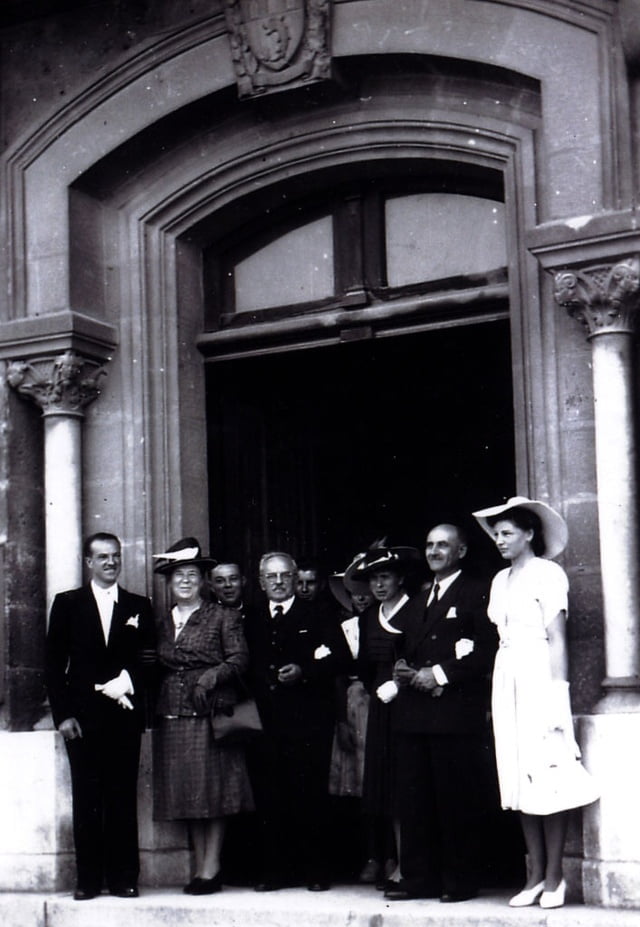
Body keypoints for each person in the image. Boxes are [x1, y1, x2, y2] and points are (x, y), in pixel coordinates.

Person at [472, 497, 600, 909]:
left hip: (539, 678)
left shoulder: (548, 574)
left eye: (507, 533)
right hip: (508, 676)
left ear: (529, 534)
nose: (500, 540)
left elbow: (557, 638)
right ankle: (532, 875)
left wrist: (557, 695)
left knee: (548, 776)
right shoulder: (498, 581)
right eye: (496, 534)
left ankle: (554, 876)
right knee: (517, 777)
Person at [385, 523, 497, 903]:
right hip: (415, 713)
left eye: (443, 545)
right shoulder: (418, 598)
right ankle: (420, 879)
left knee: (456, 800)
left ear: (461, 551)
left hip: (454, 713)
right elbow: (404, 648)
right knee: (416, 801)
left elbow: (488, 650)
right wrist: (403, 669)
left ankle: (460, 880)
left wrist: (440, 674)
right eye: (430, 544)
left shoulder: (478, 592)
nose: (434, 551)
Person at [44, 532, 156, 900]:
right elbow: (53, 665)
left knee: (123, 797)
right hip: (83, 719)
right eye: (102, 557)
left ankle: (125, 877)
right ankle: (88, 879)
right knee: (88, 798)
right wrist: (63, 716)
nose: (110, 562)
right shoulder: (68, 604)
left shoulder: (139, 605)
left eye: (115, 556)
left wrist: (127, 681)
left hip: (124, 717)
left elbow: (150, 661)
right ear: (89, 562)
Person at [244, 551, 352, 892]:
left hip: (309, 719)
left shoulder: (318, 613)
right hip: (264, 721)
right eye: (271, 577)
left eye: (284, 576)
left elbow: (339, 656)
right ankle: (274, 870)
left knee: (310, 794)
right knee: (269, 795)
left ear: (294, 579)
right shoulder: (251, 616)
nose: (278, 583)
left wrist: (305, 671)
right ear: (261, 583)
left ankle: (316, 870)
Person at [152, 538, 254, 895]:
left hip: (209, 711)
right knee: (187, 795)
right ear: (168, 582)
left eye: (192, 575)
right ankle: (200, 865)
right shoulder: (162, 622)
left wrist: (211, 676)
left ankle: (213, 867)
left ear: (203, 581)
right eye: (178, 575)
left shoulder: (222, 616)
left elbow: (240, 659)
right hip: (173, 713)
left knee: (214, 791)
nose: (185, 581)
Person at [350, 541, 421, 890]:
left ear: (400, 579)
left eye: (386, 577)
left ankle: (411, 864)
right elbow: (364, 666)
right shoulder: (367, 617)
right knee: (388, 788)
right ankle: (396, 860)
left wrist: (401, 684)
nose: (379, 585)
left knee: (410, 786)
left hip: (412, 705)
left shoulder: (417, 610)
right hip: (381, 708)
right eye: (374, 579)